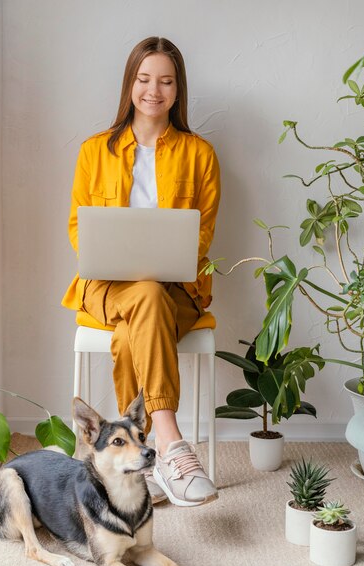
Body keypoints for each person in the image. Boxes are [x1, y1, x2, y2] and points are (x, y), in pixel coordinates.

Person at [62, 36, 221, 507]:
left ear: (178, 89)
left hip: (177, 292)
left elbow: (203, 235)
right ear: (131, 83)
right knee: (143, 295)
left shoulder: (200, 154)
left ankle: (135, 457)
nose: (155, 90)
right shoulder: (95, 151)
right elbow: (79, 226)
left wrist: (156, 268)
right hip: (105, 288)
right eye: (145, 78)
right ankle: (170, 446)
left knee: (148, 297)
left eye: (166, 81)